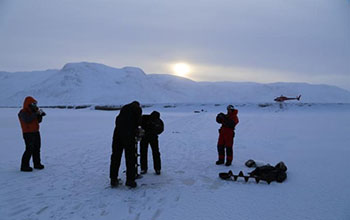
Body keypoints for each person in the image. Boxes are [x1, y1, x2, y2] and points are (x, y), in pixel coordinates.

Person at [109, 101, 142, 188]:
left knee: (115, 156)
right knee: (130, 157)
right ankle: (130, 180)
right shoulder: (137, 109)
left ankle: (113, 179)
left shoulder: (124, 108)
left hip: (117, 133)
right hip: (129, 134)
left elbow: (117, 120)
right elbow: (139, 121)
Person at [18, 96, 46, 172]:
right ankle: (24, 166)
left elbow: (38, 121)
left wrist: (40, 115)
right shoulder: (22, 112)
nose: (34, 105)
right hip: (28, 133)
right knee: (29, 149)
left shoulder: (33, 111)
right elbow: (27, 120)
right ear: (28, 104)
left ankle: (37, 164)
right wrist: (35, 114)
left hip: (36, 132)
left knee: (37, 149)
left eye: (34, 104)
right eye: (33, 104)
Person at [140, 111, 164, 175]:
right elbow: (138, 125)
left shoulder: (158, 121)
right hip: (145, 138)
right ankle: (144, 168)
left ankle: (157, 169)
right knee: (144, 153)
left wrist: (154, 131)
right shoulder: (144, 118)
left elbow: (161, 129)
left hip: (152, 138)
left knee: (155, 152)